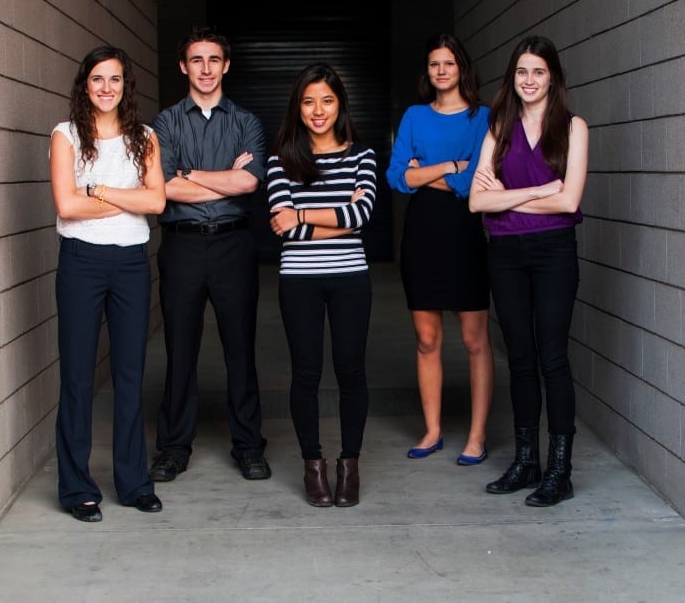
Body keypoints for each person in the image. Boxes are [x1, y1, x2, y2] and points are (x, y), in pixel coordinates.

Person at [468, 35, 589, 507]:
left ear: (552, 76)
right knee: (518, 356)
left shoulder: (574, 128)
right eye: (522, 71)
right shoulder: (499, 126)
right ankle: (526, 461)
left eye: (538, 71)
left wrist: (506, 196)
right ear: (512, 78)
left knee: (551, 357)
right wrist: (536, 192)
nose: (529, 80)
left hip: (555, 253)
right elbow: (478, 201)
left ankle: (560, 470)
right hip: (505, 254)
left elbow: (570, 201)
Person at [49, 45, 167, 522]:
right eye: (97, 78)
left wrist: (98, 190)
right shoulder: (66, 135)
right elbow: (67, 206)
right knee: (77, 377)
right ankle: (77, 488)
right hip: (81, 263)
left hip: (132, 265)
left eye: (114, 79)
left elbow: (157, 202)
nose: (106, 88)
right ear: (85, 84)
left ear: (125, 86)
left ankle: (134, 482)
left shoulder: (145, 137)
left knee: (130, 375)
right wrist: (129, 199)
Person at [149, 26, 271, 483]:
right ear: (184, 66)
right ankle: (173, 448)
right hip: (181, 246)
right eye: (196, 60)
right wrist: (221, 178)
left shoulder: (247, 122)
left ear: (225, 65)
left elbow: (249, 184)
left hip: (233, 244)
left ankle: (249, 446)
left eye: (214, 59)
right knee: (180, 349)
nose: (205, 68)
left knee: (240, 347)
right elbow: (164, 187)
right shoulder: (165, 123)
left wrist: (192, 174)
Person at [267, 63, 376, 508]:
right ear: (298, 106)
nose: (318, 110)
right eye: (309, 101)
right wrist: (338, 219)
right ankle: (314, 466)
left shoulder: (361, 155)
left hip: (351, 277)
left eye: (327, 101)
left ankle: (349, 464)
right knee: (306, 373)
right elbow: (281, 226)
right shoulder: (281, 161)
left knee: (351, 371)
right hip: (299, 280)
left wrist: (304, 215)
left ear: (339, 105)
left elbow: (363, 215)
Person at [386, 33, 494, 466]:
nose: (442, 71)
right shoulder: (414, 116)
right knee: (427, 339)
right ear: (427, 72)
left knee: (474, 339)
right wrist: (451, 166)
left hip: (465, 231)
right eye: (434, 64)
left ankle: (477, 435)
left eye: (449, 63)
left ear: (461, 68)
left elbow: (475, 184)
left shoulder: (482, 118)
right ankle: (432, 431)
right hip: (422, 232)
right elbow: (395, 178)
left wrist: (423, 172)